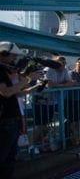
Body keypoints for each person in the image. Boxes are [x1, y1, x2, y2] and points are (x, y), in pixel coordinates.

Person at [0, 42, 40, 178]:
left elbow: (16, 93)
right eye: (12, 55)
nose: (14, 59)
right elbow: (5, 92)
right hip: (4, 121)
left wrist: (33, 87)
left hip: (13, 119)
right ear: (3, 54)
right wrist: (28, 78)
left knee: (10, 159)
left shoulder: (7, 71)